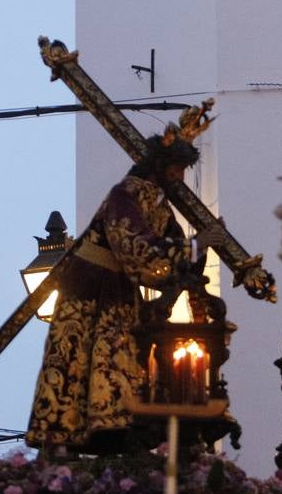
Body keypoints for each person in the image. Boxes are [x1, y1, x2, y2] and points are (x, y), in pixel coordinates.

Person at [26, 108, 225, 453]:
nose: (179, 177)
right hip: (92, 290)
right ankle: (93, 433)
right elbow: (135, 246)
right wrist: (197, 244)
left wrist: (197, 256)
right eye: (176, 169)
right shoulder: (125, 195)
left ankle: (120, 428)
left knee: (121, 361)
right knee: (91, 362)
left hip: (119, 292)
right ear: (160, 167)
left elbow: (171, 250)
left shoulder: (157, 204)